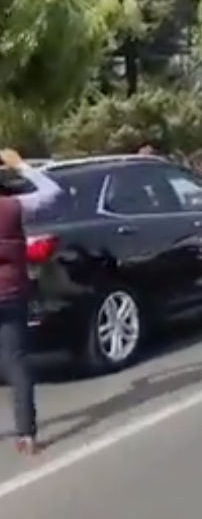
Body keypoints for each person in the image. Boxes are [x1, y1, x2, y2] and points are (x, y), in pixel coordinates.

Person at [0, 148, 62, 455]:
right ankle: (27, 434)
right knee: (17, 361)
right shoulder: (15, 207)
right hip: (11, 294)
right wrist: (21, 166)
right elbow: (52, 193)